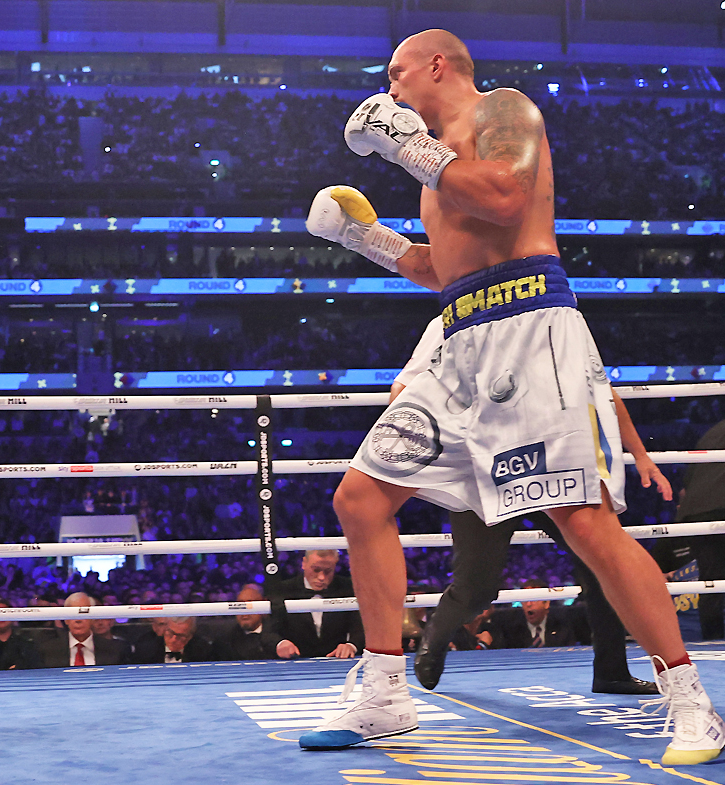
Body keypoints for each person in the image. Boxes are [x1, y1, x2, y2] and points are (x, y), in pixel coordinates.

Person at [301, 30, 722, 764]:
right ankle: (385, 695)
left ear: (439, 65)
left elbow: (504, 196)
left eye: (397, 74)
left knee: (585, 523)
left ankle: (690, 701)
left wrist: (407, 146)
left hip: (530, 327)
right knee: (360, 498)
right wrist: (367, 239)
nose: (390, 91)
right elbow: (443, 270)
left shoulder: (505, 110)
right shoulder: (433, 164)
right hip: (458, 340)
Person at [395, 317, 661, 694]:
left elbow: (600, 390)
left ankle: (612, 671)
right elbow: (403, 391)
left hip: (550, 465)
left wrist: (641, 454)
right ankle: (434, 639)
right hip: (484, 472)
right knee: (477, 588)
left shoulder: (553, 317)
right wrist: (421, 463)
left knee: (601, 560)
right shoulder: (452, 321)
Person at [672, 419, 725, 640]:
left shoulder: (712, 431)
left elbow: (688, 478)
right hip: (717, 506)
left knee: (711, 579)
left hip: (695, 512)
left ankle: (712, 640)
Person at [268, 551, 363, 659]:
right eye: (316, 570)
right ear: (304, 563)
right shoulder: (283, 589)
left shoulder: (348, 588)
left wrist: (351, 645)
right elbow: (269, 630)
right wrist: (280, 643)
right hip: (294, 663)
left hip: (338, 661)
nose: (321, 577)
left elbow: (361, 626)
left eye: (328, 571)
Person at [41, 592, 126, 667]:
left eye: (83, 614)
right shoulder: (47, 650)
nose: (78, 620)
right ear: (66, 619)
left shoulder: (115, 649)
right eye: (73, 614)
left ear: (93, 618)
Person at [486, 581, 578, 649]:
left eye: (534, 599)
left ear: (546, 603)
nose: (529, 604)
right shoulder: (510, 630)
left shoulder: (562, 626)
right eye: (525, 600)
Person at [215, 584, 281, 661]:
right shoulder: (224, 642)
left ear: (263, 604)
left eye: (250, 605)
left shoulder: (280, 633)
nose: (245, 611)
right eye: (239, 605)